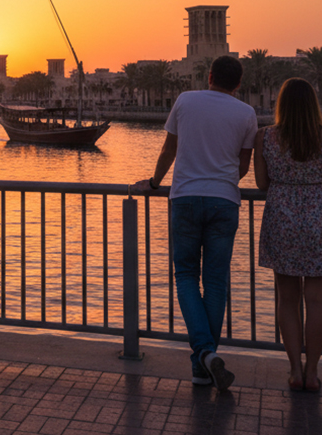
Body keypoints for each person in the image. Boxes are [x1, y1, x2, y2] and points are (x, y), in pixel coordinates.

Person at [133, 55, 257, 391]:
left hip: (185, 198)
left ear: (209, 76)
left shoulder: (186, 101)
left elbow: (168, 150)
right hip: (224, 201)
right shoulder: (247, 114)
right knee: (216, 283)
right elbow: (243, 167)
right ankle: (204, 364)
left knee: (186, 275)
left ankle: (203, 356)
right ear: (239, 84)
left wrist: (155, 182)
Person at [254, 77, 322, 393]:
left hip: (282, 217)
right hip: (320, 217)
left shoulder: (265, 137)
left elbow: (261, 183)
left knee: (287, 298)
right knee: (318, 300)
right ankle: (313, 371)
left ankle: (294, 369)